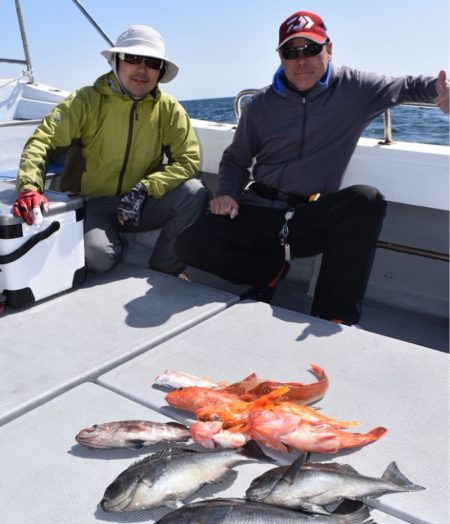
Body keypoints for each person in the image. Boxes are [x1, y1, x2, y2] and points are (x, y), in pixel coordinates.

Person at [175, 10, 449, 325]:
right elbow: (236, 158)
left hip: (309, 216)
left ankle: (333, 315)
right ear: (280, 57)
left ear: (328, 50)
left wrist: (440, 90)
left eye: (312, 48)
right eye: (291, 51)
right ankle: (267, 271)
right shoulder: (261, 105)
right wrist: (227, 193)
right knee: (188, 244)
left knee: (365, 200)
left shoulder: (355, 88)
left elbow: (406, 86)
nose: (301, 59)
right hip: (258, 210)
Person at [14, 24, 208, 277]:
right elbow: (43, 142)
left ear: (160, 72)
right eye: (133, 58)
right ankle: (101, 239)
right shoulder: (84, 101)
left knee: (195, 192)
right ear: (116, 61)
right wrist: (29, 188)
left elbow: (188, 160)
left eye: (151, 62)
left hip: (142, 202)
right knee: (99, 258)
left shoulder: (169, 109)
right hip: (93, 203)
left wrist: (145, 189)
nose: (141, 68)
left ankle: (166, 268)